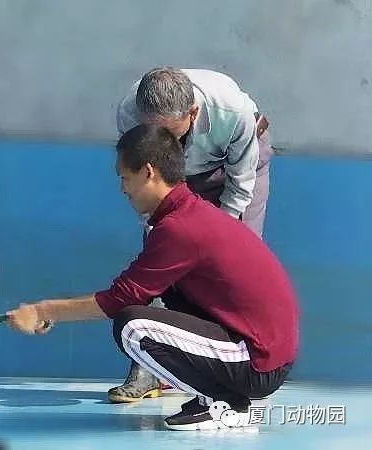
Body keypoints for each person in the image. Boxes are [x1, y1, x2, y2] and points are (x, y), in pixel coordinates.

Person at [6, 124, 298, 430]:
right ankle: (220, 397)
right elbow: (136, 289)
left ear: (148, 172)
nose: (122, 188)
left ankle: (225, 403)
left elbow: (120, 299)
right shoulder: (186, 215)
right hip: (262, 352)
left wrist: (42, 311)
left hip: (258, 361)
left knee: (132, 327)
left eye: (124, 177)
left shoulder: (181, 228)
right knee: (164, 292)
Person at [109, 67, 275, 403]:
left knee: (235, 263)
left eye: (169, 132)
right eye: (151, 131)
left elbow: (241, 185)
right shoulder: (129, 112)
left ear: (193, 114)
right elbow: (146, 181)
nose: (161, 142)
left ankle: (241, 365)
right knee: (159, 260)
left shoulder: (233, 112)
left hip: (234, 166)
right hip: (177, 177)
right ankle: (149, 369)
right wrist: (157, 230)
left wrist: (212, 239)